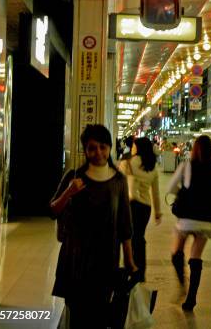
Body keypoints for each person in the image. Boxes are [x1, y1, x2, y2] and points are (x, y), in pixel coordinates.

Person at [50, 124, 137, 329]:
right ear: (85, 150)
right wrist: (69, 192)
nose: (98, 152)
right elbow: (53, 210)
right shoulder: (74, 177)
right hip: (76, 260)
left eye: (102, 147)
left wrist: (130, 261)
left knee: (99, 316)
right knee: (78, 316)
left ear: (109, 148)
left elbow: (125, 224)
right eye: (92, 148)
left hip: (106, 261)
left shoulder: (118, 181)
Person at [168, 135, 211, 312]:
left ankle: (182, 284)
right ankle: (191, 299)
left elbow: (171, 188)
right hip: (206, 221)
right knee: (196, 257)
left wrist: (183, 191)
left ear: (195, 149)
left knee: (176, 253)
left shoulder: (187, 165)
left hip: (186, 219)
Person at [118, 137, 162, 283]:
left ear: (138, 148)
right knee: (139, 237)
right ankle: (141, 270)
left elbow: (119, 187)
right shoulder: (152, 167)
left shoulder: (126, 163)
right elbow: (155, 192)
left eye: (134, 146)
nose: (132, 148)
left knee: (127, 237)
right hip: (145, 208)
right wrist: (158, 212)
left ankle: (129, 267)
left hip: (129, 205)